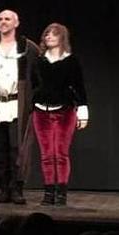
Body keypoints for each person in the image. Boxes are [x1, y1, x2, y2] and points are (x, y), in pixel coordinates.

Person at [0, 9, 40, 204]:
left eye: (7, 19)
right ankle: (3, 189)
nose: (3, 22)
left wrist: (33, 100)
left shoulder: (28, 48)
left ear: (16, 23)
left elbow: (37, 76)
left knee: (17, 147)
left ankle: (17, 189)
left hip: (17, 105)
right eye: (0, 19)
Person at [31, 23, 89, 206]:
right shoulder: (39, 61)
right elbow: (34, 85)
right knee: (47, 154)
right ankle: (49, 193)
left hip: (64, 111)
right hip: (41, 112)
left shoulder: (71, 61)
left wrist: (83, 111)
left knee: (60, 153)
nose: (49, 36)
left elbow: (79, 86)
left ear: (62, 38)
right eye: (47, 34)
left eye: (53, 34)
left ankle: (61, 193)